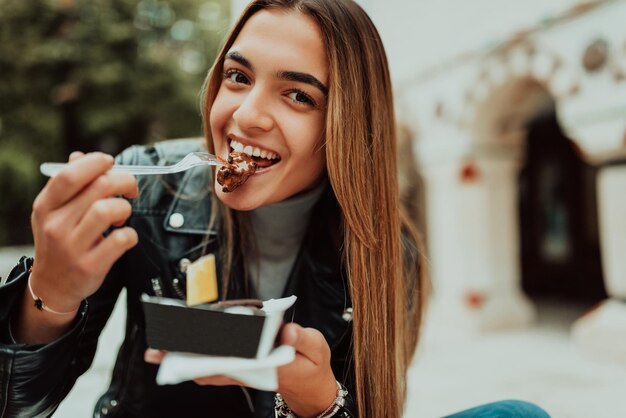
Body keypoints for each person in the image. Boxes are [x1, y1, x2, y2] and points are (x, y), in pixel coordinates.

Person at [0, 1, 550, 417]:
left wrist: (317, 401)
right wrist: (51, 294)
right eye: (238, 77)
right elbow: (16, 407)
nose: (247, 115)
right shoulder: (147, 189)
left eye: (298, 95)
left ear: (346, 131)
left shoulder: (386, 255)